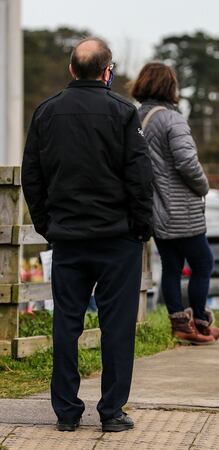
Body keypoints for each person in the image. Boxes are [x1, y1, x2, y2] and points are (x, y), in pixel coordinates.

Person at [21, 37, 152, 432]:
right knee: (117, 325)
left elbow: (32, 177)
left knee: (66, 322)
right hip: (117, 239)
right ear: (107, 71)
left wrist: (47, 225)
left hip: (68, 238)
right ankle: (111, 412)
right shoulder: (124, 113)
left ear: (71, 70)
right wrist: (140, 228)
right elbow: (139, 177)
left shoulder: (46, 113)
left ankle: (66, 412)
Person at [130, 62, 219, 345]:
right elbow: (186, 162)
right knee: (203, 263)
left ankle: (180, 323)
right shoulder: (172, 119)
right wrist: (203, 185)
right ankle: (201, 323)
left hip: (154, 208)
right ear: (170, 87)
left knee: (171, 266)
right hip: (182, 208)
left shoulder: (134, 118)